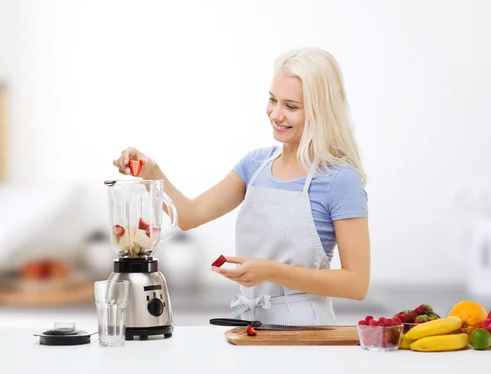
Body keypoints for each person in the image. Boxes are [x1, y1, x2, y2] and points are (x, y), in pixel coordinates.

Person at [112, 47, 370, 326]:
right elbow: (189, 215)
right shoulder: (255, 165)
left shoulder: (339, 179)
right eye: (273, 100)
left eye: (291, 106)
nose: (276, 114)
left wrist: (271, 272)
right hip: (248, 325)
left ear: (322, 111)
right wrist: (151, 171)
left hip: (306, 330)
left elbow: (355, 284)